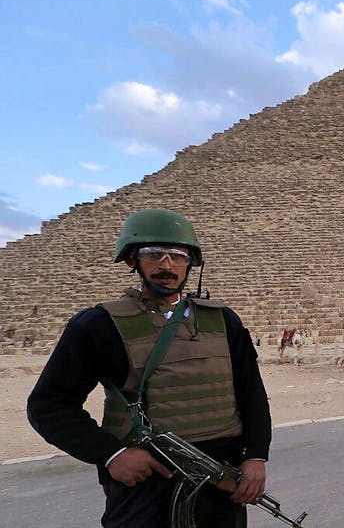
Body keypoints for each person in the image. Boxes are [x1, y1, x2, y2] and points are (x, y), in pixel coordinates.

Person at [27, 209, 272, 526]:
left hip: (219, 479)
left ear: (191, 262)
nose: (166, 265)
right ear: (132, 260)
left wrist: (256, 456)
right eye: (153, 254)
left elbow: (251, 392)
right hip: (145, 481)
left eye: (178, 256)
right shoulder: (99, 325)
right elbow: (48, 405)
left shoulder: (224, 321)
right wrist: (111, 454)